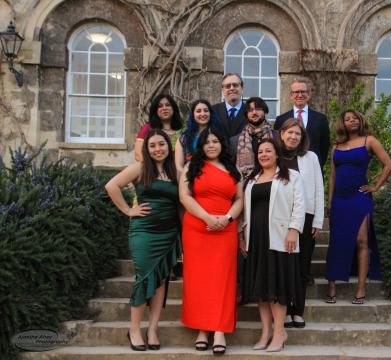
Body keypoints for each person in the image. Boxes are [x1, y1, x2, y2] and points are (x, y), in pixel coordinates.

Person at [105, 129, 180, 351]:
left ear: (169, 146)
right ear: (147, 149)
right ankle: (134, 329)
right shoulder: (140, 168)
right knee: (144, 278)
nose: (158, 149)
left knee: (160, 281)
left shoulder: (175, 172)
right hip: (145, 232)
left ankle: (153, 329)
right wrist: (128, 210)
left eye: (161, 144)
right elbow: (111, 186)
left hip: (169, 232)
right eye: (153, 146)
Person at [179, 127, 243, 356]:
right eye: (207, 142)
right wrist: (207, 217)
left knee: (222, 279)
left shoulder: (233, 170)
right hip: (197, 228)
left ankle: (219, 331)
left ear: (222, 144)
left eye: (216, 141)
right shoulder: (191, 167)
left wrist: (226, 219)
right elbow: (184, 196)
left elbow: (239, 200)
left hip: (225, 229)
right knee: (198, 279)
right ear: (201, 146)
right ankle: (202, 330)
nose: (212, 145)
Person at [240, 138, 305, 352]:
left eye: (268, 151)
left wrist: (294, 230)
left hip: (280, 237)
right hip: (256, 238)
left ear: (277, 154)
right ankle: (265, 332)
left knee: (277, 286)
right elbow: (244, 211)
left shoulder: (291, 176)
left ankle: (279, 332)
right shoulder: (251, 179)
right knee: (261, 288)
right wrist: (242, 235)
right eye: (260, 152)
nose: (264, 154)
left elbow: (299, 204)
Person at [325, 110, 391, 305]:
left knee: (362, 240)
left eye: (354, 118)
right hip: (339, 199)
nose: (351, 121)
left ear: (360, 120)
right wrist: (330, 201)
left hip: (360, 197)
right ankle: (332, 287)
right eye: (347, 119)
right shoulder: (336, 147)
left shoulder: (369, 141)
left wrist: (376, 186)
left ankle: (361, 288)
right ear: (342, 124)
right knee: (336, 241)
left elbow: (388, 164)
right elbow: (332, 176)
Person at [277, 118, 324, 328]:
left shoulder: (310, 157)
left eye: (298, 133)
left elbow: (318, 188)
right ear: (282, 134)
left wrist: (318, 219)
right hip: (279, 218)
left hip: (305, 217)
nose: (293, 136)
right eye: (290, 133)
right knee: (283, 266)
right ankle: (284, 310)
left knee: (301, 266)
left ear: (302, 137)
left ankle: (298, 310)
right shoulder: (274, 156)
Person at [274, 77, 330, 169]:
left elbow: (324, 147)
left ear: (309, 94)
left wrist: (317, 165)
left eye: (303, 91)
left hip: (312, 168)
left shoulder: (321, 119)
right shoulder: (281, 119)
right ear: (291, 95)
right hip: (287, 167)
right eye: (296, 92)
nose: (300, 95)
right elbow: (278, 144)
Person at [230, 96, 277, 179]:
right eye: (250, 110)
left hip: (273, 182)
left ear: (265, 112)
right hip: (245, 185)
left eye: (258, 109)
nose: (254, 112)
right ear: (246, 114)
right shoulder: (234, 141)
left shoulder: (277, 136)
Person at [135, 94, 183, 162]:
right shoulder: (148, 128)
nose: (164, 108)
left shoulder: (183, 129)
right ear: (155, 110)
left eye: (168, 105)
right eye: (160, 106)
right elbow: (138, 155)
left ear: (173, 108)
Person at [175, 99, 219, 169]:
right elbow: (179, 166)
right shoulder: (184, 138)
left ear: (210, 113)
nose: (202, 114)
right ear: (193, 115)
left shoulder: (218, 135)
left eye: (206, 110)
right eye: (198, 111)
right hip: (189, 177)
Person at [212, 73, 249, 139]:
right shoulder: (213, 111)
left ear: (242, 87)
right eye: (228, 86)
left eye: (235, 85)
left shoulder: (250, 111)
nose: (232, 88)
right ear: (222, 90)